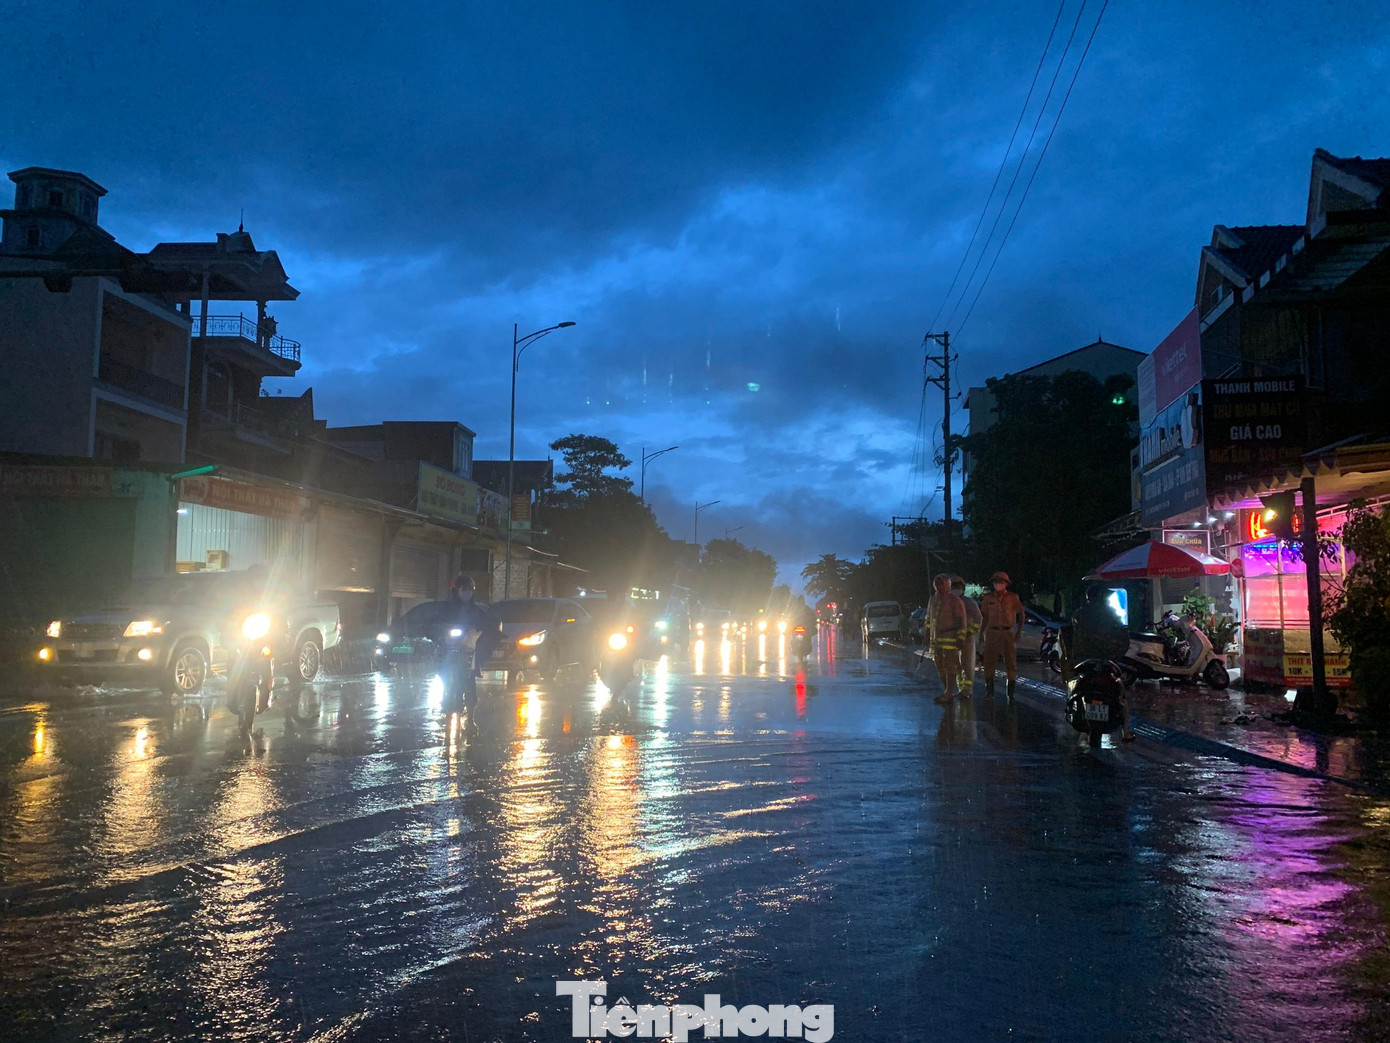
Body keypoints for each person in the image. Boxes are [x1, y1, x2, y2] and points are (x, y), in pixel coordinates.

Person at [1069, 583, 1135, 741]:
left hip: (1084, 660)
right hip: (1106, 660)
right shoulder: (1111, 614)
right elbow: (1122, 636)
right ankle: (1125, 731)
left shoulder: (1079, 614)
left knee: (1074, 688)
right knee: (1120, 695)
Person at [441, 573, 501, 723]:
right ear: (456, 591)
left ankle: (471, 717)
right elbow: (437, 624)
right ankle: (446, 701)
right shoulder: (446, 610)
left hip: (469, 651)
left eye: (469, 589)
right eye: (463, 589)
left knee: (470, 683)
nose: (466, 592)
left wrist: (482, 630)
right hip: (449, 650)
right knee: (443, 674)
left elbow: (487, 624)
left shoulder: (477, 611)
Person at [979, 570, 1024, 699]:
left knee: (1010, 662)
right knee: (989, 662)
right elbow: (985, 617)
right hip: (992, 632)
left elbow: (1021, 613)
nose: (998, 584)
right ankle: (989, 691)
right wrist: (982, 633)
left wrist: (1019, 631)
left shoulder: (1013, 597)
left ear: (1006, 583)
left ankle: (1010, 691)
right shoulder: (988, 598)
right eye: (996, 582)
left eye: (1000, 582)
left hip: (1007, 632)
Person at [926, 573, 967, 705]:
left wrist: (961, 638)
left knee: (950, 665)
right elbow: (928, 619)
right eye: (937, 584)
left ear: (947, 585)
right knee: (939, 665)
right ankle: (946, 691)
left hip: (950, 638)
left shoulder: (954, 600)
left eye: (942, 584)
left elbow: (962, 620)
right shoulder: (932, 600)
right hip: (936, 639)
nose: (939, 587)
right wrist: (927, 633)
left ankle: (949, 693)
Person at [951, 576, 983, 696]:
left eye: (958, 587)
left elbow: (978, 619)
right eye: (954, 587)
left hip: (967, 639)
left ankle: (967, 690)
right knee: (956, 664)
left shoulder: (969, 602)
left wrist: (969, 632)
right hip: (952, 637)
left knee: (967, 664)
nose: (956, 590)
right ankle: (960, 688)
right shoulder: (948, 602)